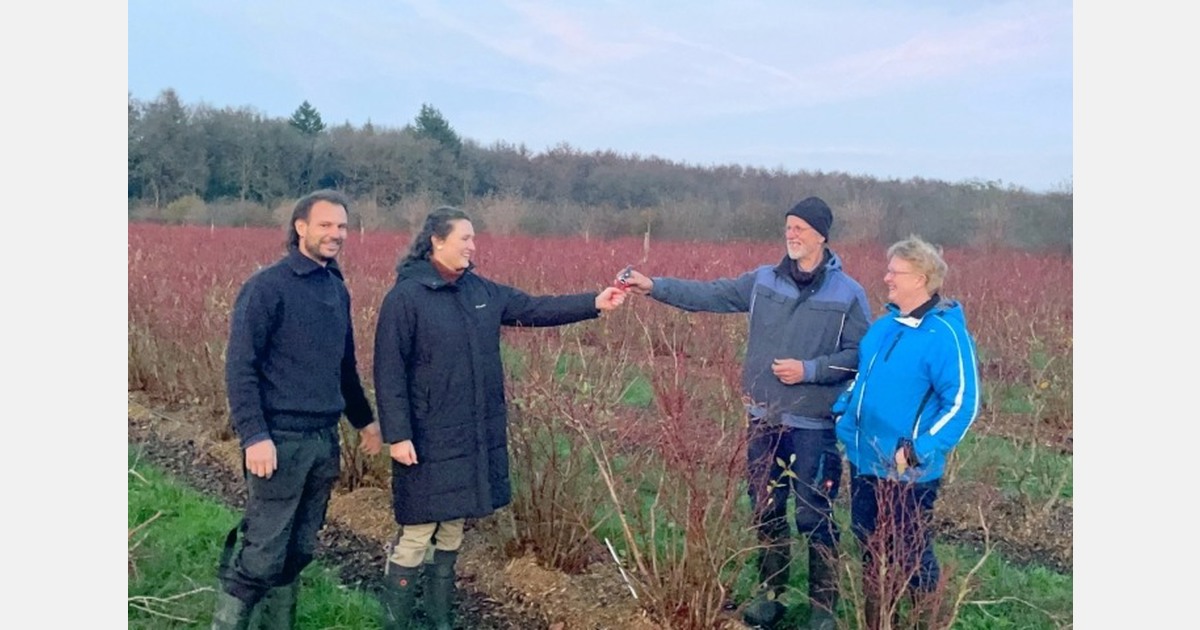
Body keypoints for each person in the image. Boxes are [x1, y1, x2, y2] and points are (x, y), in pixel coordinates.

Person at [372, 206, 627, 630]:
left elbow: (535, 308)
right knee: (418, 532)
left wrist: (594, 303)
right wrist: (397, 435)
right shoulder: (406, 298)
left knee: (452, 529)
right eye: (465, 238)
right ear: (437, 240)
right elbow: (388, 371)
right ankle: (393, 622)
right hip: (425, 437)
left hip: (469, 434)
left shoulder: (480, 291)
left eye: (473, 238)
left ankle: (440, 620)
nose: (473, 245)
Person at [622, 197, 870, 630]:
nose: (791, 234)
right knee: (766, 507)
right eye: (788, 226)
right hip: (764, 419)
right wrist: (653, 285)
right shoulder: (762, 282)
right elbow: (709, 294)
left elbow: (859, 355)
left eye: (800, 228)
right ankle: (771, 596)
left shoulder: (848, 293)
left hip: (814, 425)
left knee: (814, 514)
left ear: (821, 236)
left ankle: (822, 609)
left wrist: (810, 370)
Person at [212, 189, 383, 630]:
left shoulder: (335, 290)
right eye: (325, 225)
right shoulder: (268, 287)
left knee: (300, 549)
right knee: (262, 554)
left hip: (323, 441)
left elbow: (344, 368)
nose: (336, 234)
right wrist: (254, 435)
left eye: (342, 226)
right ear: (300, 227)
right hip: (279, 441)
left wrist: (365, 422)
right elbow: (240, 366)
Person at [833, 236, 981, 630]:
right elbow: (861, 380)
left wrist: (918, 450)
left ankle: (922, 622)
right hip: (864, 461)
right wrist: (843, 416)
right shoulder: (884, 327)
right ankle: (878, 622)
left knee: (911, 557)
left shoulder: (946, 335)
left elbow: (962, 403)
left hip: (906, 472)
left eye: (894, 272)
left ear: (921, 277)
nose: (886, 278)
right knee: (868, 548)